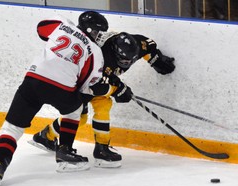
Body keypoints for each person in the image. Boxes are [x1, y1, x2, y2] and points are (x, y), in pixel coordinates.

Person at [0, 11, 130, 186]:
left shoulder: (62, 24)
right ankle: (65, 153)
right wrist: (112, 89)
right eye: (98, 32)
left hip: (33, 80)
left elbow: (41, 29)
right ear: (92, 30)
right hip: (62, 87)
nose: (99, 36)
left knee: (12, 127)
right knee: (75, 111)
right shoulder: (96, 53)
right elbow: (85, 87)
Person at [28, 30, 175, 168]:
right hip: (81, 82)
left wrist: (158, 62)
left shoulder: (137, 44)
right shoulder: (100, 56)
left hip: (97, 79)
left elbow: (149, 48)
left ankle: (101, 149)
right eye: (124, 62)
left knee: (104, 105)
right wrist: (117, 90)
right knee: (80, 117)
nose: (127, 64)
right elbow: (94, 87)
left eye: (131, 60)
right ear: (115, 53)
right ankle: (45, 136)